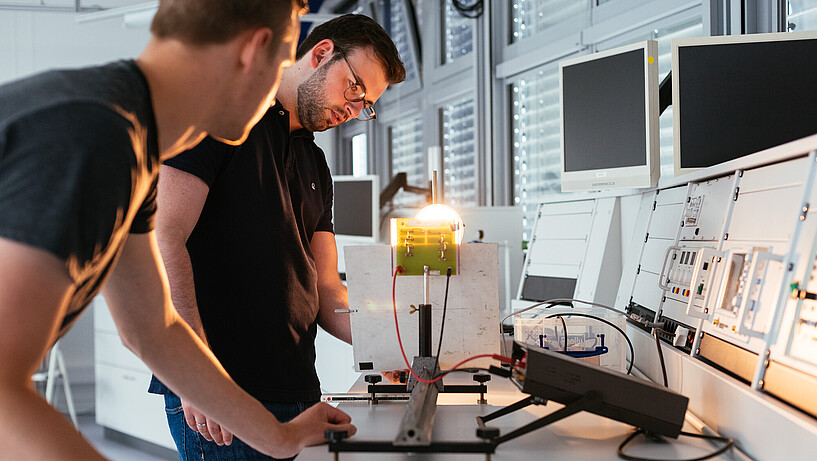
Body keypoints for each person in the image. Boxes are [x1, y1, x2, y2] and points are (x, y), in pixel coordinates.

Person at [0, 1, 358, 459]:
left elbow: (153, 328)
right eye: (283, 64)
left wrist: (278, 435)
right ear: (254, 51)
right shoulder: (94, 133)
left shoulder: (131, 142)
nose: (277, 90)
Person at [147, 14, 406, 460]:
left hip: (298, 390)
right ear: (322, 53)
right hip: (224, 395)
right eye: (355, 88)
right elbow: (163, 239)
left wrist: (393, 340)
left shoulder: (315, 164)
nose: (353, 109)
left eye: (366, 104)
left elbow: (326, 289)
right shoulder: (219, 116)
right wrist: (195, 376)